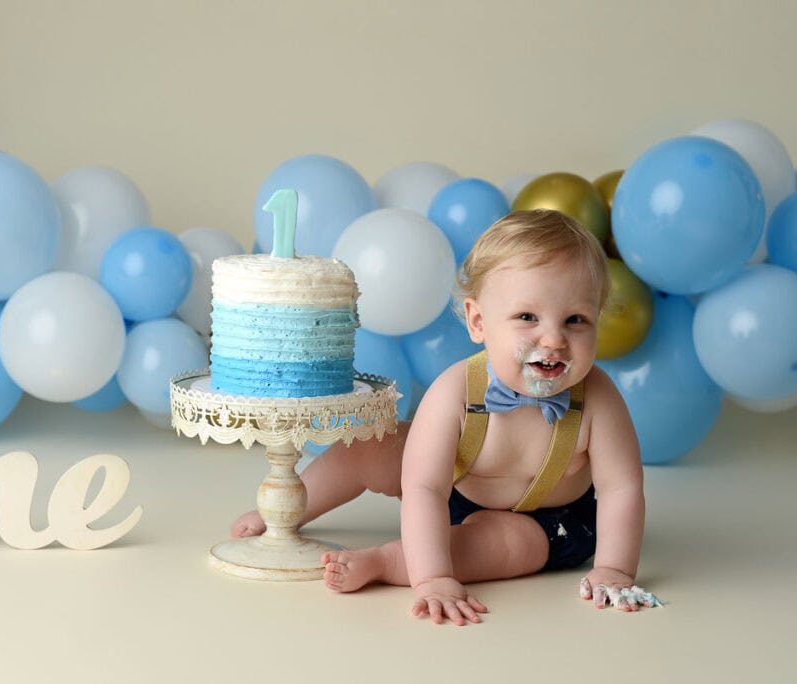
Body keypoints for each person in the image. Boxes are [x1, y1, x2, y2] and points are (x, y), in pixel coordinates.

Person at [231, 209, 658, 625]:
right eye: (527, 317)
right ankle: (289, 509)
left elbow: (621, 487)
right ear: (478, 322)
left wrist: (615, 569)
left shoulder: (597, 399)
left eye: (576, 320)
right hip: (451, 487)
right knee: (370, 447)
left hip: (550, 521)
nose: (553, 339)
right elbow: (423, 487)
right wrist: (432, 566)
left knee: (506, 545)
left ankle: (390, 561)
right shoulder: (456, 391)